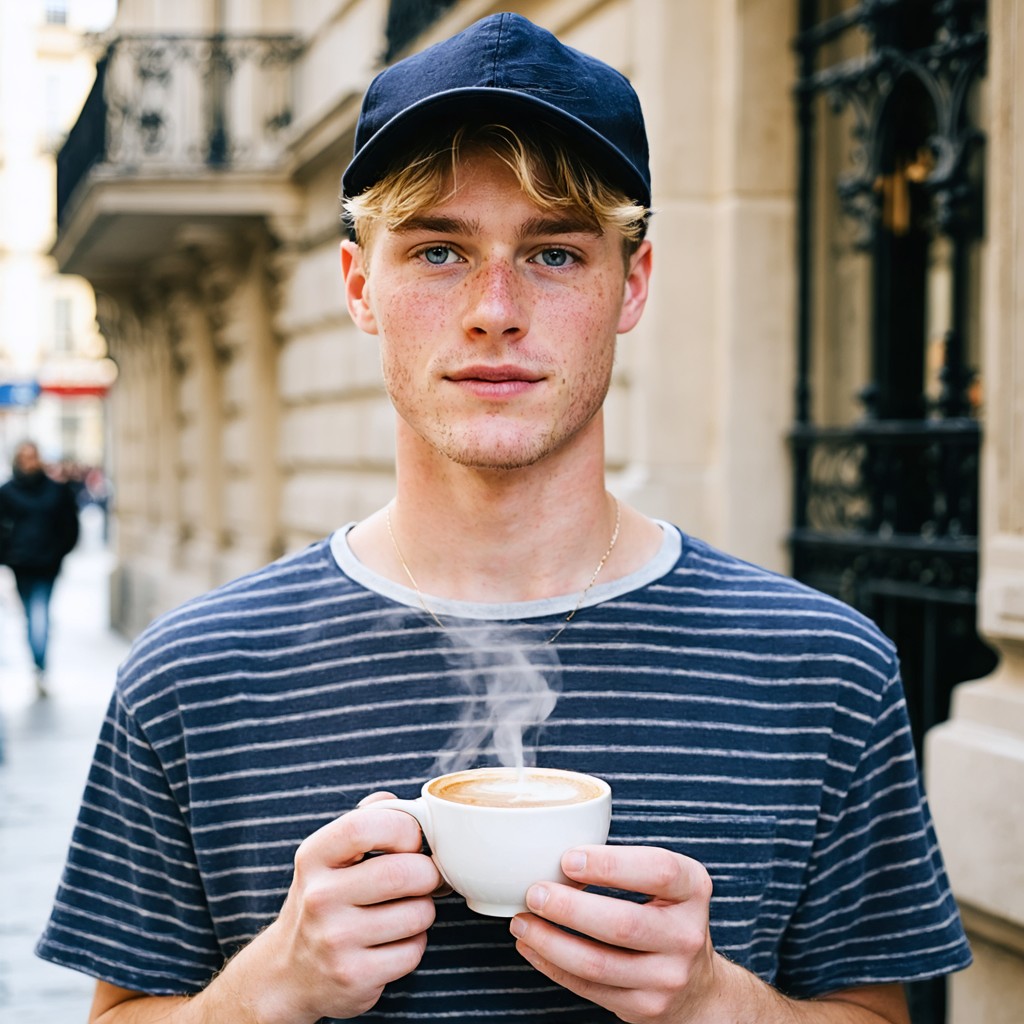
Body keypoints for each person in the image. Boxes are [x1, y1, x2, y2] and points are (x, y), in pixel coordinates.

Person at [37, 13, 970, 1023]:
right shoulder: (193, 677)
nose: (494, 307)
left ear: (632, 283)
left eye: (555, 253)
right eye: (439, 251)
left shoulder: (822, 668)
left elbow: (881, 1012)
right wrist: (271, 985)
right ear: (360, 286)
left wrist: (715, 1001)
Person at [0, 440, 79, 695]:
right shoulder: (7, 492)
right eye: (25, 457)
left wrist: (58, 553)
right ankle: (39, 663)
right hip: (21, 564)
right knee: (32, 613)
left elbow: (70, 527)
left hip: (46, 564)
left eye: (32, 457)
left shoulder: (56, 491)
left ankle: (39, 665)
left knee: (38, 612)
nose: (29, 462)